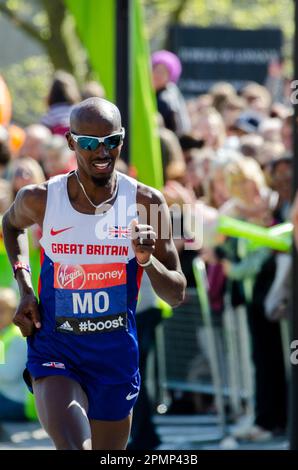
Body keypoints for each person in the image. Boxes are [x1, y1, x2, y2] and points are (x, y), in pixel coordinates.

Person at [2, 97, 186, 450]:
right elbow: (10, 226)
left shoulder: (147, 203)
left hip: (114, 355)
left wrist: (147, 260)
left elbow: (176, 293)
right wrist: (25, 286)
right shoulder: (40, 199)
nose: (100, 152)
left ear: (122, 139)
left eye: (110, 142)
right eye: (88, 143)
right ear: (71, 142)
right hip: (57, 347)